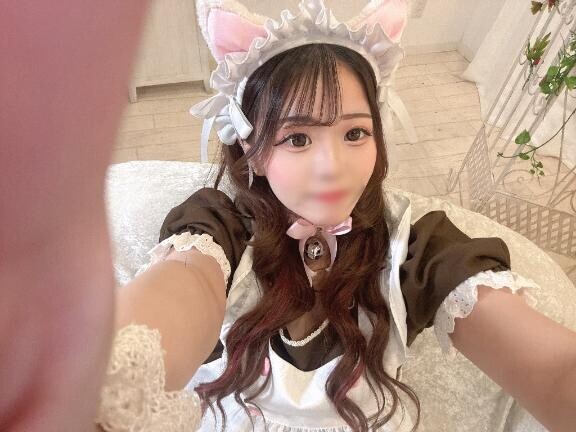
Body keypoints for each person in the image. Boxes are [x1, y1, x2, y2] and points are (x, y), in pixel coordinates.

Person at [94, 1, 576, 431]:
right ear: (251, 147)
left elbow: (556, 372)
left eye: (354, 134)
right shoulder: (220, 230)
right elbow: (175, 298)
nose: (333, 167)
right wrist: (104, 386)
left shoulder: (416, 250)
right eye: (297, 138)